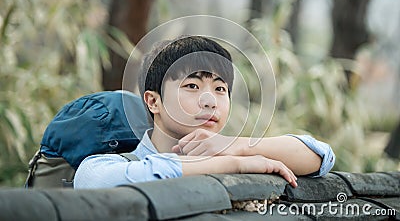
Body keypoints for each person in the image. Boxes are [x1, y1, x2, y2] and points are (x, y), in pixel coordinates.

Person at [74, 35, 335, 189]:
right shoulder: (109, 165)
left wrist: (237, 148)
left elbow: (320, 156)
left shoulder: (232, 150)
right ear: (153, 102)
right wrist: (234, 165)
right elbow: (98, 182)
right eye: (192, 85)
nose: (210, 101)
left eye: (220, 89)